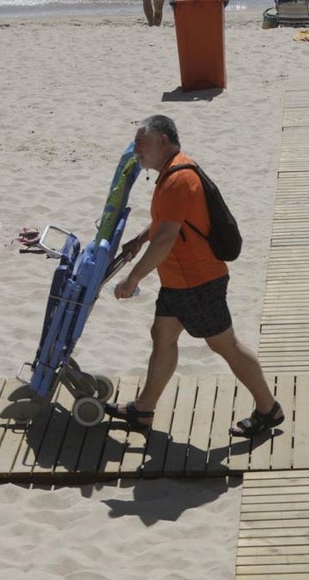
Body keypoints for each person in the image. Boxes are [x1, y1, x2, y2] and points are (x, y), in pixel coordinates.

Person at [109, 115, 284, 437]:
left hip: (198, 281)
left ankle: (268, 408)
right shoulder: (170, 173)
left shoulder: (178, 179)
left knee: (226, 345)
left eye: (141, 143)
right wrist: (139, 239)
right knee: (163, 337)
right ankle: (143, 411)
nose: (136, 149)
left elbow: (167, 239)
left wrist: (133, 279)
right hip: (178, 280)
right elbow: (166, 223)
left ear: (163, 141)